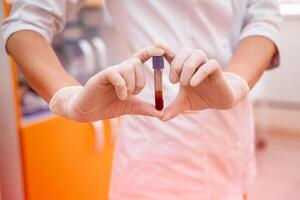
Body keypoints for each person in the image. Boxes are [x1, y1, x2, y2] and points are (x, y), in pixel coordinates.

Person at [1, 0, 282, 199]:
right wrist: (66, 96)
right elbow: (25, 23)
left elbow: (263, 18)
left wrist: (235, 82)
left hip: (232, 144)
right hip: (157, 160)